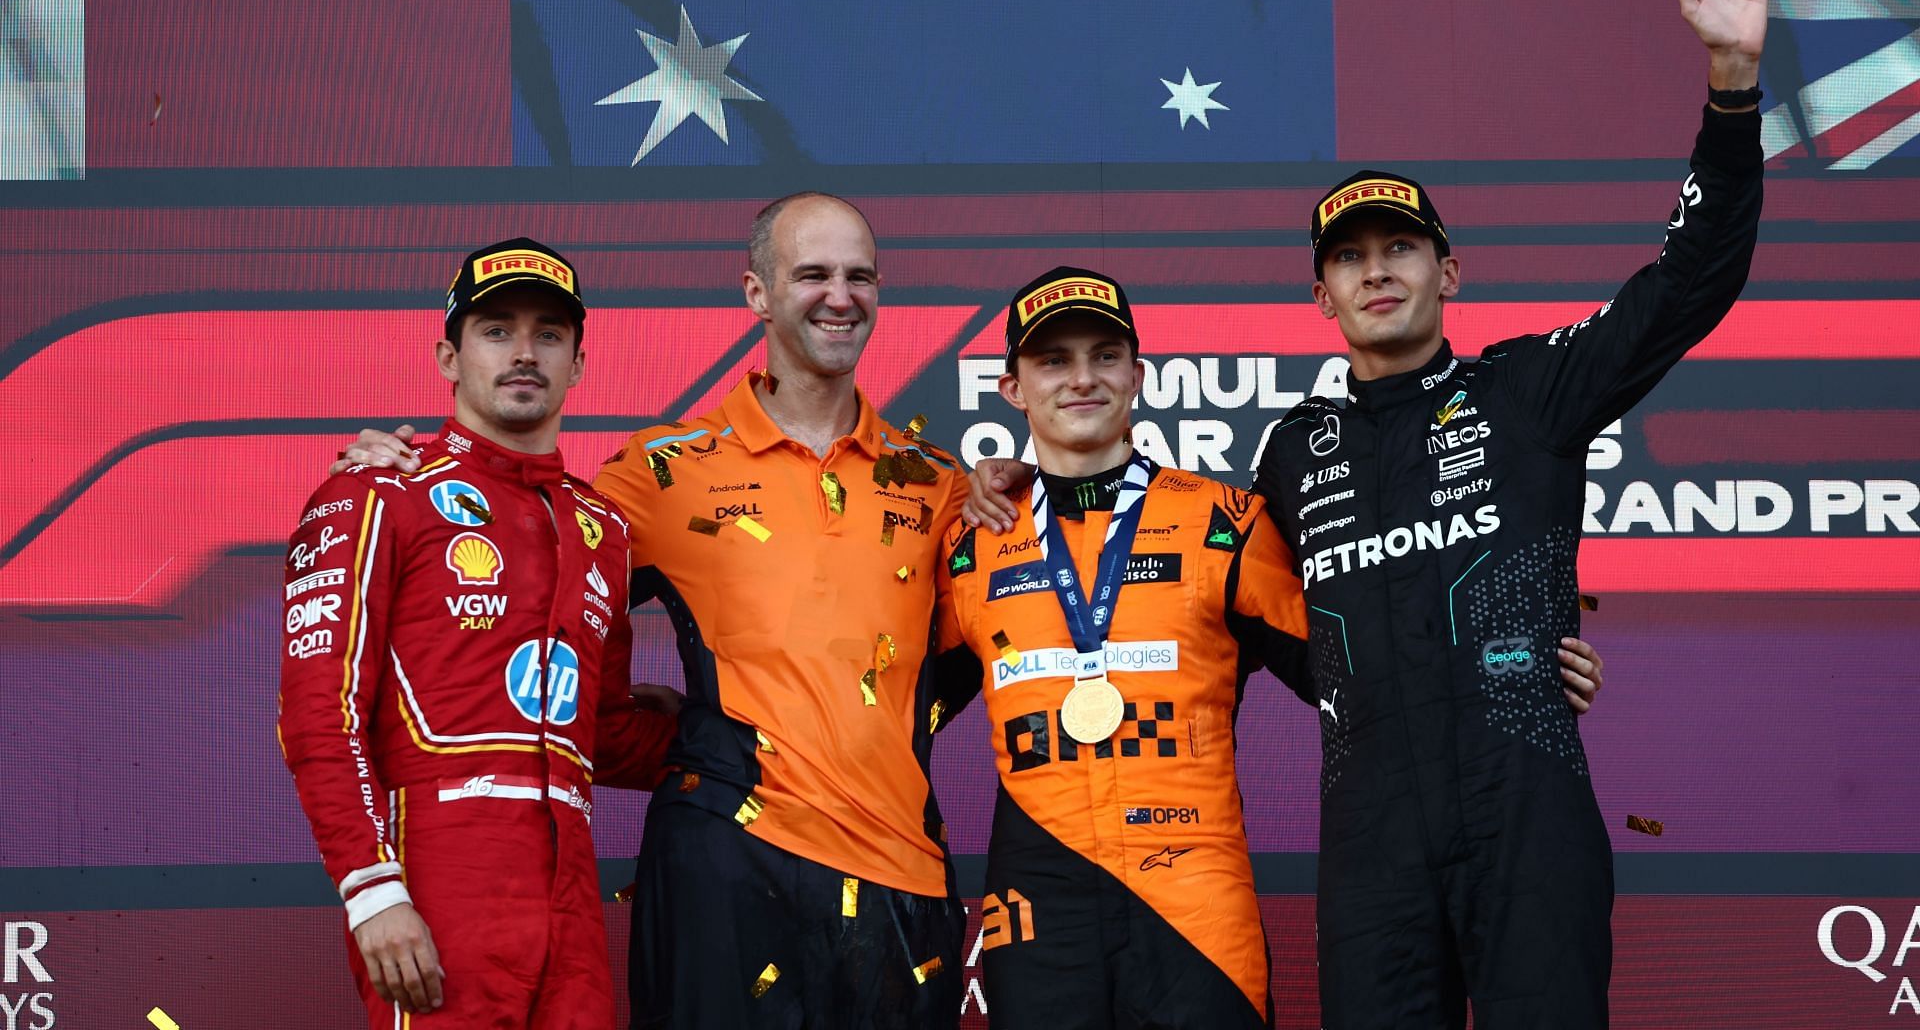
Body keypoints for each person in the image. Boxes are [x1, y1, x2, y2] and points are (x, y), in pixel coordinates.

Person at [1257, 0, 1762, 1027]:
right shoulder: (1292, 452)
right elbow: (1224, 607)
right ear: (1321, 295)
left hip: (1528, 817)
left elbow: (1688, 283)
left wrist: (1732, 88)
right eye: (1350, 257)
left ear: (1451, 270)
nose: (1377, 271)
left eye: (1401, 248)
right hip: (1372, 847)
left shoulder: (1528, 389)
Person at [335, 195, 969, 1029]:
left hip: (902, 869)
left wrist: (1021, 492)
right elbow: (517, 581)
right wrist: (403, 466)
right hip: (728, 862)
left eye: (859, 276)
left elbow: (1008, 638)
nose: (838, 296)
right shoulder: (661, 474)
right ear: (757, 293)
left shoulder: (939, 482)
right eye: (812, 274)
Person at [280, 237, 676, 1028]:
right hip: (438, 873)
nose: (525, 353)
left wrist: (745, 738)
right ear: (449, 357)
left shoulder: (603, 526)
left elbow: (601, 732)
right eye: (497, 330)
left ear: (579, 364)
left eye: (549, 334)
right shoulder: (378, 491)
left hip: (570, 891)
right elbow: (319, 713)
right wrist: (372, 891)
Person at [933, 267, 1311, 1027]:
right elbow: (888, 722)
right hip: (1039, 897)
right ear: (1012, 388)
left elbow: (1355, 678)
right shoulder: (971, 544)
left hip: (1194, 893)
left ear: (1138, 375)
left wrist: (1512, 671)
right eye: (1053, 360)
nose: (1082, 379)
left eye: (1104, 356)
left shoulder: (1225, 522)